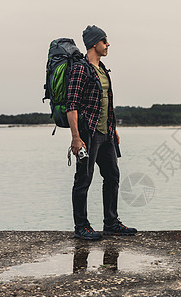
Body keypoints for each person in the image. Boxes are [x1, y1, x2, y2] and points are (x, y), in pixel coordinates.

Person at [66, 25, 137, 240]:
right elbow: (72, 105)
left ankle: (111, 222)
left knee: (113, 176)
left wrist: (113, 129)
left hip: (106, 133)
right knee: (84, 179)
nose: (108, 45)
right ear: (94, 43)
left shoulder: (103, 69)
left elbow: (107, 103)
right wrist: (76, 138)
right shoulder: (81, 69)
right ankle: (81, 226)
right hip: (88, 132)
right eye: (105, 41)